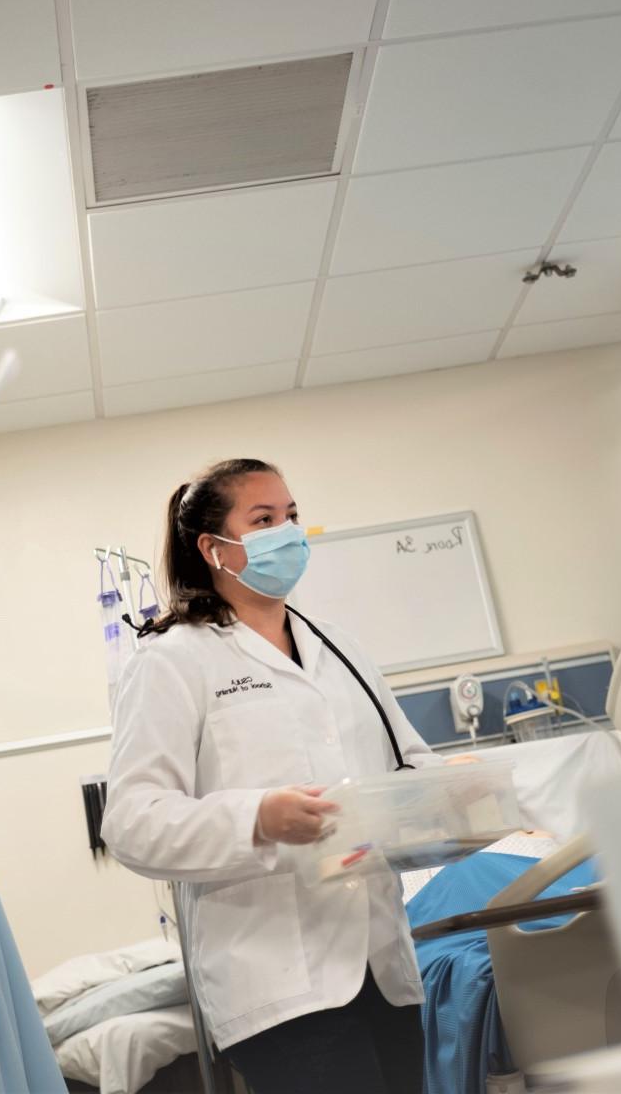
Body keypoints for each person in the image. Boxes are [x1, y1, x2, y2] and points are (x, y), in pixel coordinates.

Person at [102, 459, 438, 1094]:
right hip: (277, 979)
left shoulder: (338, 647)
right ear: (213, 548)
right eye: (263, 520)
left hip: (383, 964)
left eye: (291, 516)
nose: (287, 532)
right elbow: (130, 822)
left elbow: (408, 760)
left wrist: (453, 790)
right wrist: (256, 818)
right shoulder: (173, 660)